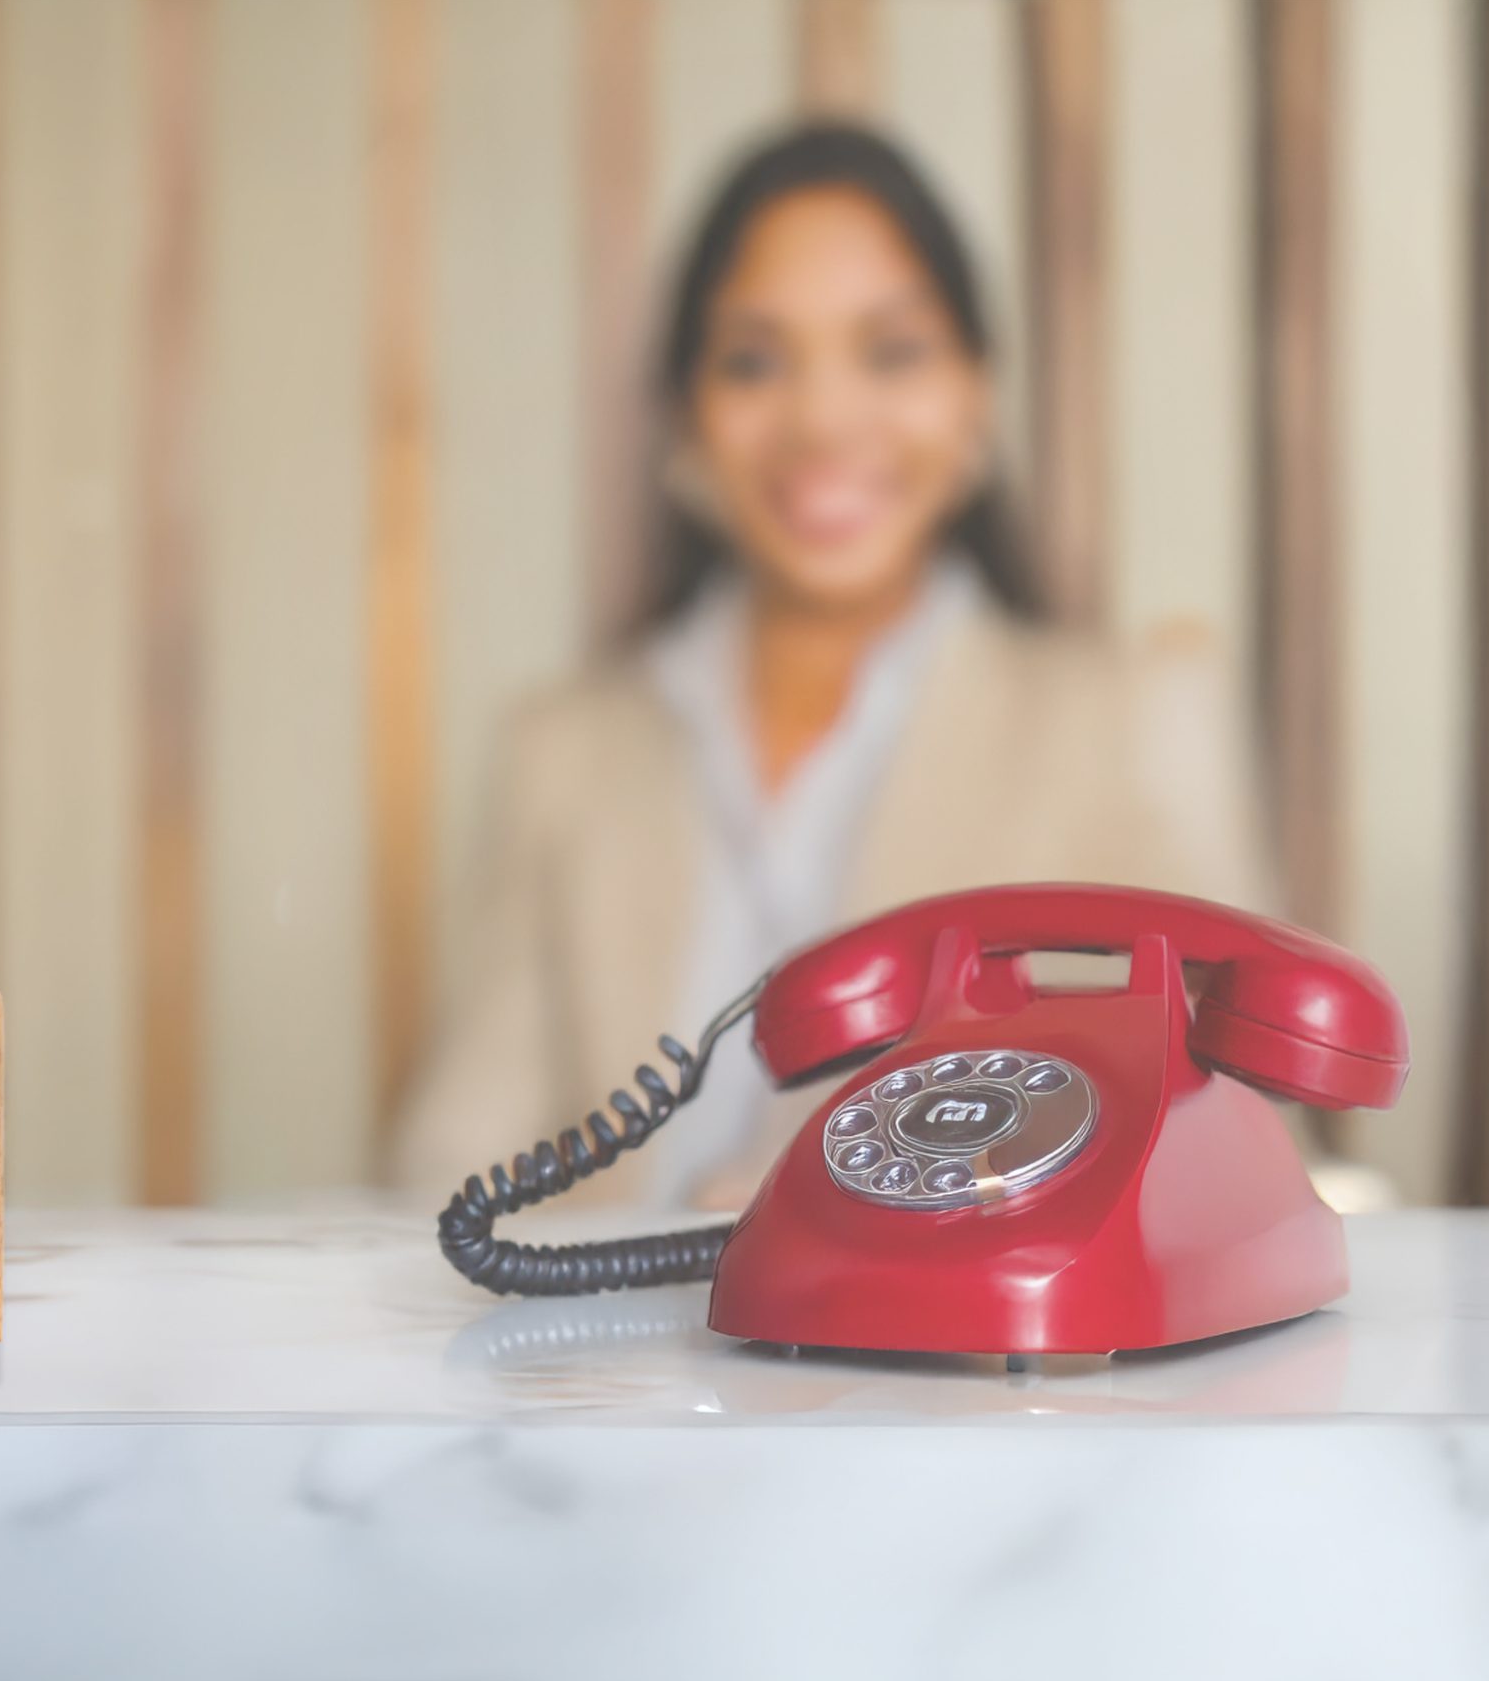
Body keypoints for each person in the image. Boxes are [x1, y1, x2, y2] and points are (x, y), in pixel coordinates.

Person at [391, 124, 1273, 1212]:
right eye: (754, 360)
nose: (820, 418)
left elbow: (1242, 1145)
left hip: (982, 1376)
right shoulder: (557, 753)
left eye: (892, 351)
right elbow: (447, 1171)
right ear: (684, 421)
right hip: (598, 1374)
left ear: (975, 403)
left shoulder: (1134, 723)